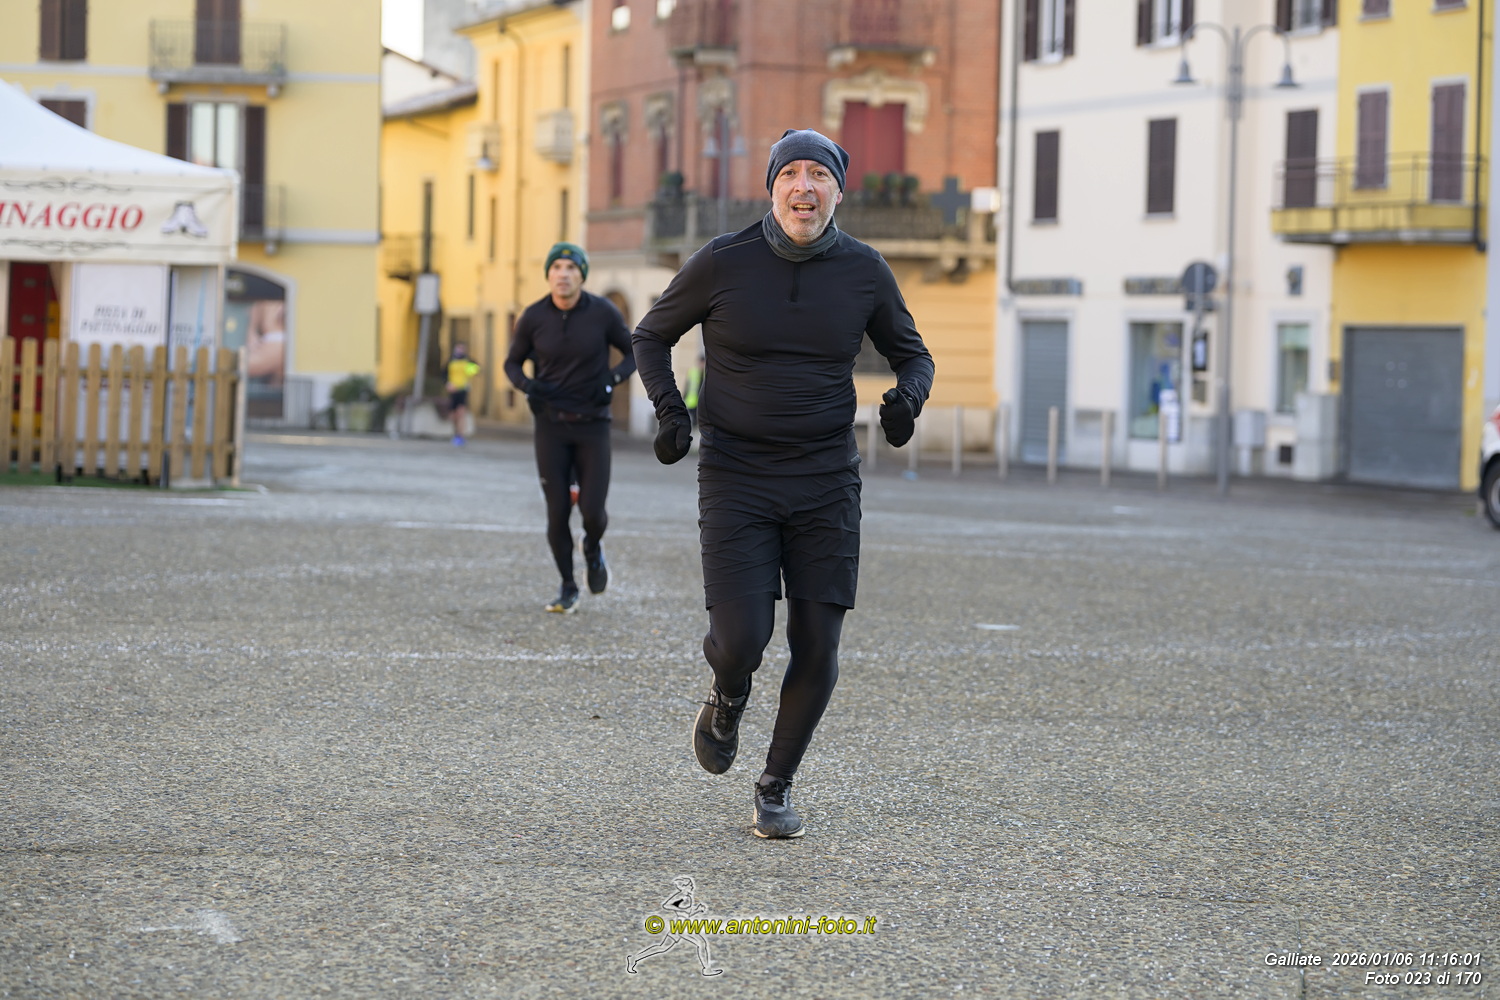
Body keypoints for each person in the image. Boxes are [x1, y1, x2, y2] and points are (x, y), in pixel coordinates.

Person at [631, 129, 934, 839]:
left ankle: (775, 785)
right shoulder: (723, 260)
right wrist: (672, 413)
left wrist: (906, 401)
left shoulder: (865, 270)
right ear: (771, 188)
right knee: (742, 638)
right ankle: (728, 690)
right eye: (790, 173)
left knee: (818, 643)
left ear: (837, 190)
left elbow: (913, 355)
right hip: (736, 475)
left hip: (826, 479)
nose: (804, 186)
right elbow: (651, 335)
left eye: (818, 175)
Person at [505, 242, 636, 614]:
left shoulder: (603, 313)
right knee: (557, 511)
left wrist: (611, 381)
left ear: (582, 276)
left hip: (593, 426)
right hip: (551, 426)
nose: (563, 275)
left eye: (571, 268)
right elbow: (512, 363)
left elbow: (634, 353)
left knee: (592, 510)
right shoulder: (533, 317)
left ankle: (592, 549)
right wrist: (528, 386)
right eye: (556, 268)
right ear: (548, 275)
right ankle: (567, 585)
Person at [445, 342, 481, 446]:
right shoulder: (450, 361)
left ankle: (460, 436)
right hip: (453, 391)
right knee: (453, 415)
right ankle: (456, 433)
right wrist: (448, 384)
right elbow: (444, 375)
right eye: (458, 348)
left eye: (462, 349)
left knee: (461, 413)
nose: (460, 351)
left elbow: (476, 370)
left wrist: (473, 371)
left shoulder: (468, 361)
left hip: (463, 390)